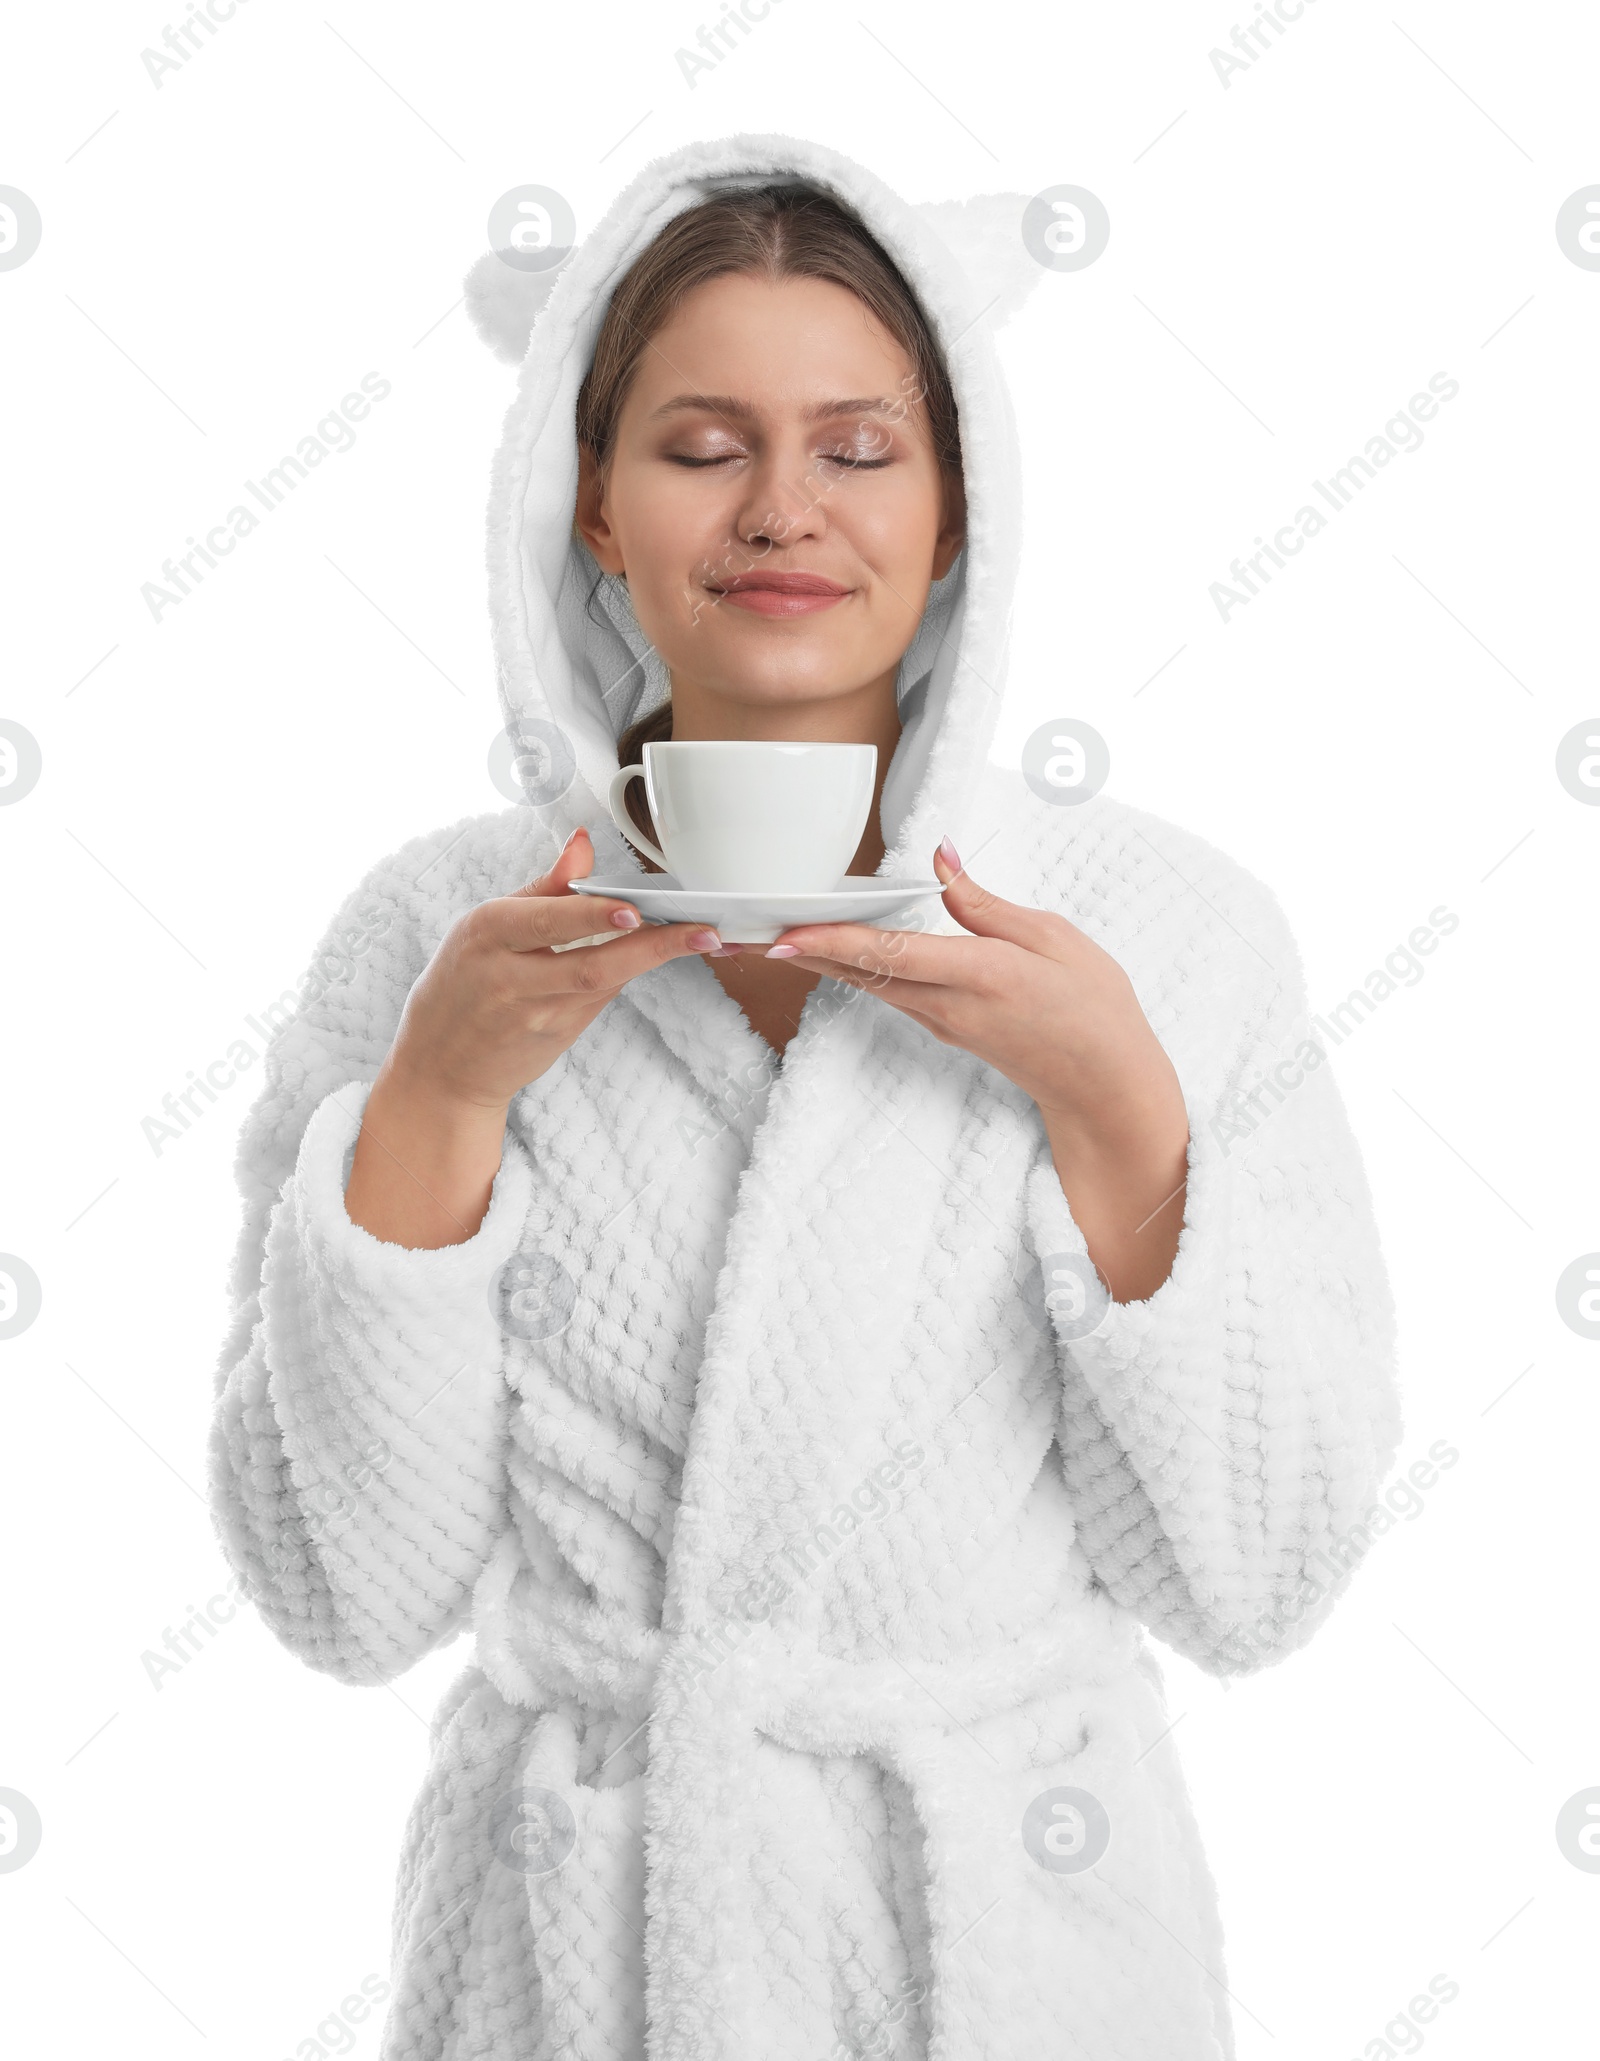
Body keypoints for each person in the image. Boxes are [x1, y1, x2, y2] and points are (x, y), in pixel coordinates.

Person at [207, 134, 1403, 2061]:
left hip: (1010, 1965)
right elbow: (341, 1601)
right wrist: (429, 1113)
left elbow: (1259, 1587)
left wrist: (1114, 1112)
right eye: (700, 446)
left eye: (860, 448)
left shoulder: (1168, 938)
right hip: (570, 1972)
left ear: (955, 516)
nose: (784, 510)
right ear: (591, 502)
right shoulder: (437, 939)